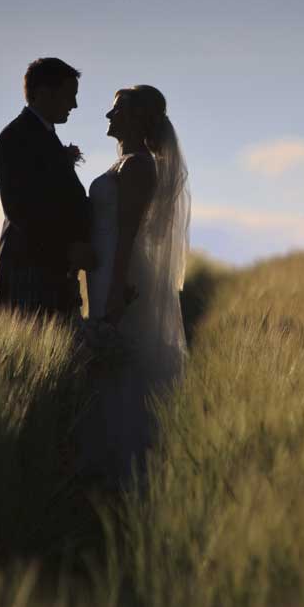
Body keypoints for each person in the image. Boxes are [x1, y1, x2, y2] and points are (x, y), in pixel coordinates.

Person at [80, 85, 191, 490]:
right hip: (108, 271)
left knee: (125, 366)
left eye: (117, 110)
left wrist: (115, 291)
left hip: (122, 272)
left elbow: (127, 233)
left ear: (138, 118)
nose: (108, 116)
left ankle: (126, 475)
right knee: (116, 367)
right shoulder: (126, 163)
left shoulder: (138, 166)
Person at [0, 57, 95, 320]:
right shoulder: (16, 137)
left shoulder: (43, 135)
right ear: (44, 93)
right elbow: (20, 210)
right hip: (28, 269)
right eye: (69, 95)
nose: (74, 104)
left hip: (49, 270)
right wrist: (68, 248)